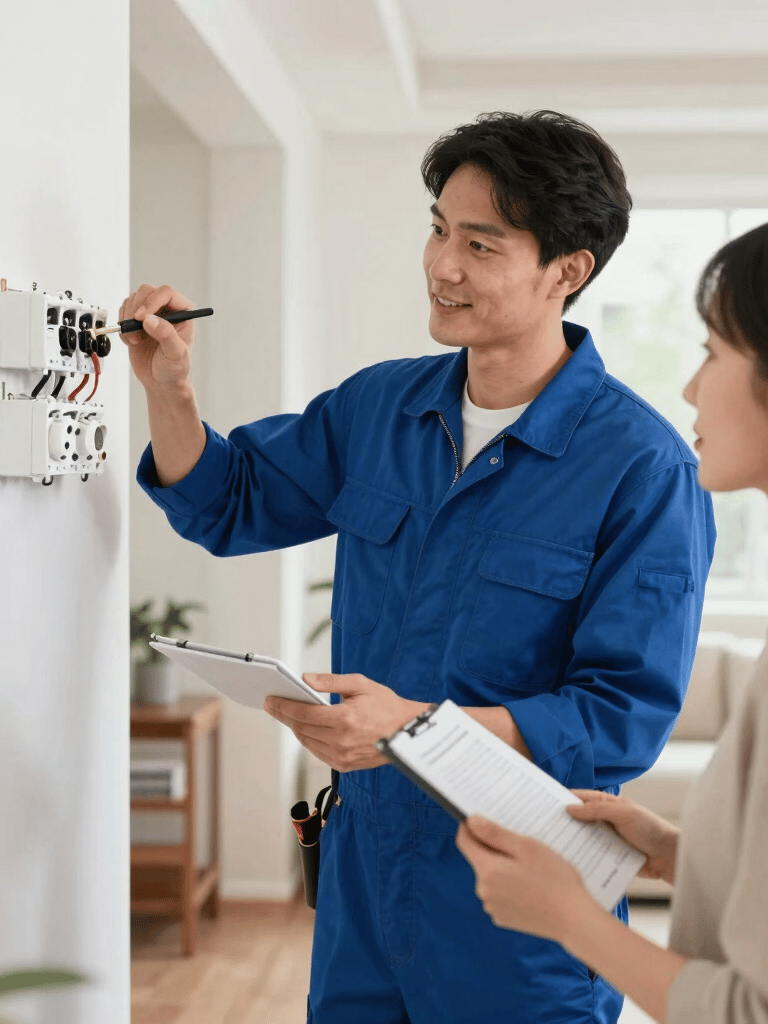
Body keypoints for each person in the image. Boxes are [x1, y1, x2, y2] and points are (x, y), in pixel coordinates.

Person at [126, 110, 715, 1024]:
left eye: (480, 244)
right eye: (439, 230)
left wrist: (415, 729)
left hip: (519, 897)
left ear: (567, 271)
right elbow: (228, 499)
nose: (443, 266)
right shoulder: (379, 408)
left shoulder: (643, 468)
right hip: (364, 875)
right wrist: (170, 391)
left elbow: (619, 719)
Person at [456, 221, 768, 1024]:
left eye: (713, 353)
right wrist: (678, 852)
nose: (691, 389)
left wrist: (570, 919)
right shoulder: (382, 406)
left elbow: (750, 1007)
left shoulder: (646, 464)